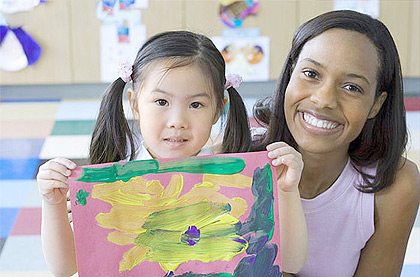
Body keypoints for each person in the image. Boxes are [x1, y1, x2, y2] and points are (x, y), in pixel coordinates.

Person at [37, 31, 308, 276]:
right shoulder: (110, 188)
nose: (177, 120)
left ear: (218, 109)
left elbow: (291, 264)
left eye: (196, 104)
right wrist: (52, 205)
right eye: (161, 101)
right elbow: (64, 268)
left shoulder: (242, 182)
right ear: (134, 103)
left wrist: (286, 192)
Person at [253, 10, 420, 276]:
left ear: (376, 104)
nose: (324, 99)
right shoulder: (235, 158)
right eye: (310, 73)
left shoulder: (395, 184)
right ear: (290, 74)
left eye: (352, 87)